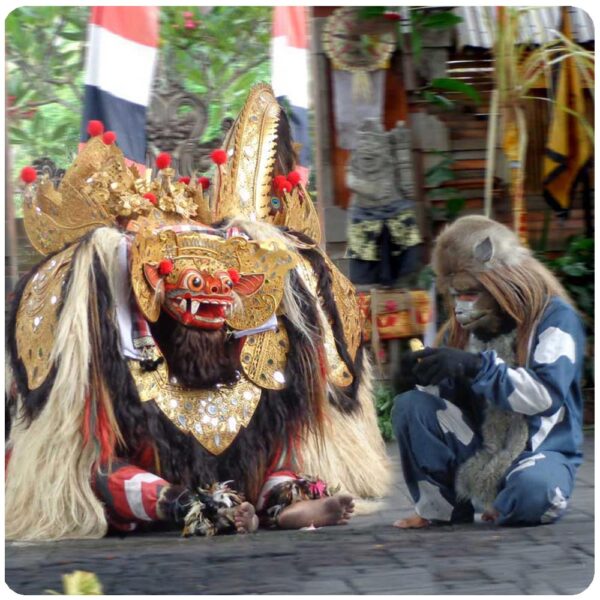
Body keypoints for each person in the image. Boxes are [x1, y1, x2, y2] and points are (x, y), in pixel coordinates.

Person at [391, 216, 585, 528]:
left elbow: (545, 396)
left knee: (532, 492)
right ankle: (441, 508)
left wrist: (477, 367)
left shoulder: (555, 317)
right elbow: (449, 407)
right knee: (411, 407)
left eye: (470, 292)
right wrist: (416, 379)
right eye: (457, 294)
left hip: (537, 453)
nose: (462, 304)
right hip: (478, 450)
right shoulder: (466, 325)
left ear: (501, 283)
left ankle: (511, 501)